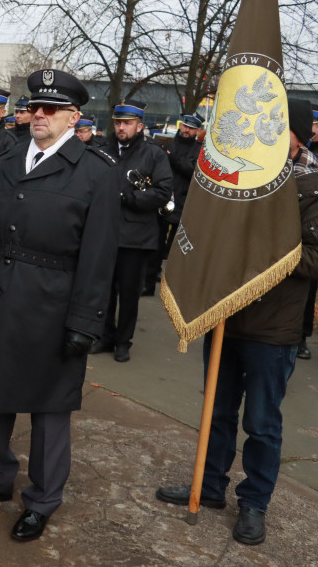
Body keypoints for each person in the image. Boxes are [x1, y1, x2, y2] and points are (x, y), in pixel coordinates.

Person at [0, 69, 119, 542]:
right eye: (34, 107)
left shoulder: (95, 172)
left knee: (48, 409)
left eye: (50, 109)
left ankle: (43, 499)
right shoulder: (4, 160)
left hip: (53, 306)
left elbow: (99, 256)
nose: (38, 116)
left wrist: (86, 321)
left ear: (73, 117)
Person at [156, 98, 318, 546]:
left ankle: (253, 503)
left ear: (297, 137)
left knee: (262, 422)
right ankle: (208, 488)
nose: (262, 136)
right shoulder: (242, 175)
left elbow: (314, 259)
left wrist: (262, 244)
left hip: (274, 329)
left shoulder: (313, 187)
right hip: (224, 314)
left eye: (274, 129)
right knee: (218, 410)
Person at [90, 100, 172, 362]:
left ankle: (123, 342)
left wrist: (127, 198)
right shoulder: (101, 148)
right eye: (117, 122)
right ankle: (104, 336)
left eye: (127, 123)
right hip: (104, 231)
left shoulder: (154, 154)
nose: (121, 127)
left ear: (139, 125)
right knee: (103, 291)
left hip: (135, 238)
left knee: (128, 294)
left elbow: (162, 192)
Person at [143, 115, 201, 296]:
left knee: (179, 248)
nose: (186, 130)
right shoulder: (167, 143)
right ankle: (149, 283)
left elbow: (193, 171)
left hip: (184, 203)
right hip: (163, 200)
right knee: (156, 246)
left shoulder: (199, 149)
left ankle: (175, 288)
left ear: (197, 131)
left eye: (191, 128)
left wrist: (173, 158)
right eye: (184, 126)